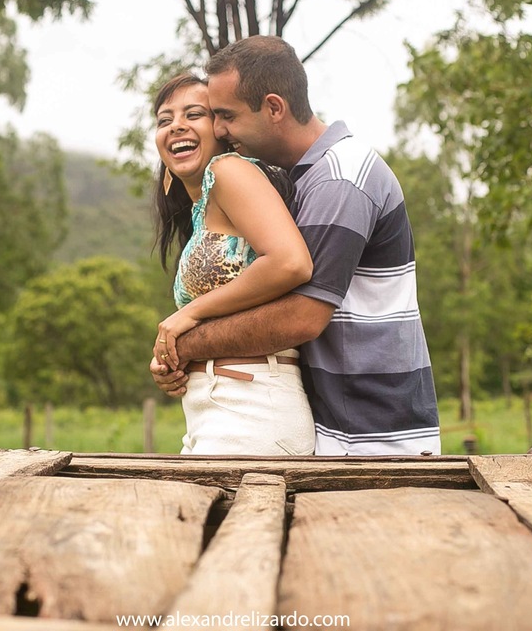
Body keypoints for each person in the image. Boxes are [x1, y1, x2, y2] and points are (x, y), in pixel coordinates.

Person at [151, 36, 441, 455]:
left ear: (273, 107)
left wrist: (180, 342)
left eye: (224, 116)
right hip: (333, 426)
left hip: (374, 435)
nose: (219, 130)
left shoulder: (340, 178)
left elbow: (302, 316)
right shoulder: (299, 181)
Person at [150, 72, 317, 455]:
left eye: (194, 114)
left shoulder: (228, 170)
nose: (176, 126)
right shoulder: (201, 208)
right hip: (214, 409)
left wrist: (185, 316)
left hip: (251, 408)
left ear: (220, 129)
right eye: (164, 120)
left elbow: (291, 263)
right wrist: (174, 358)